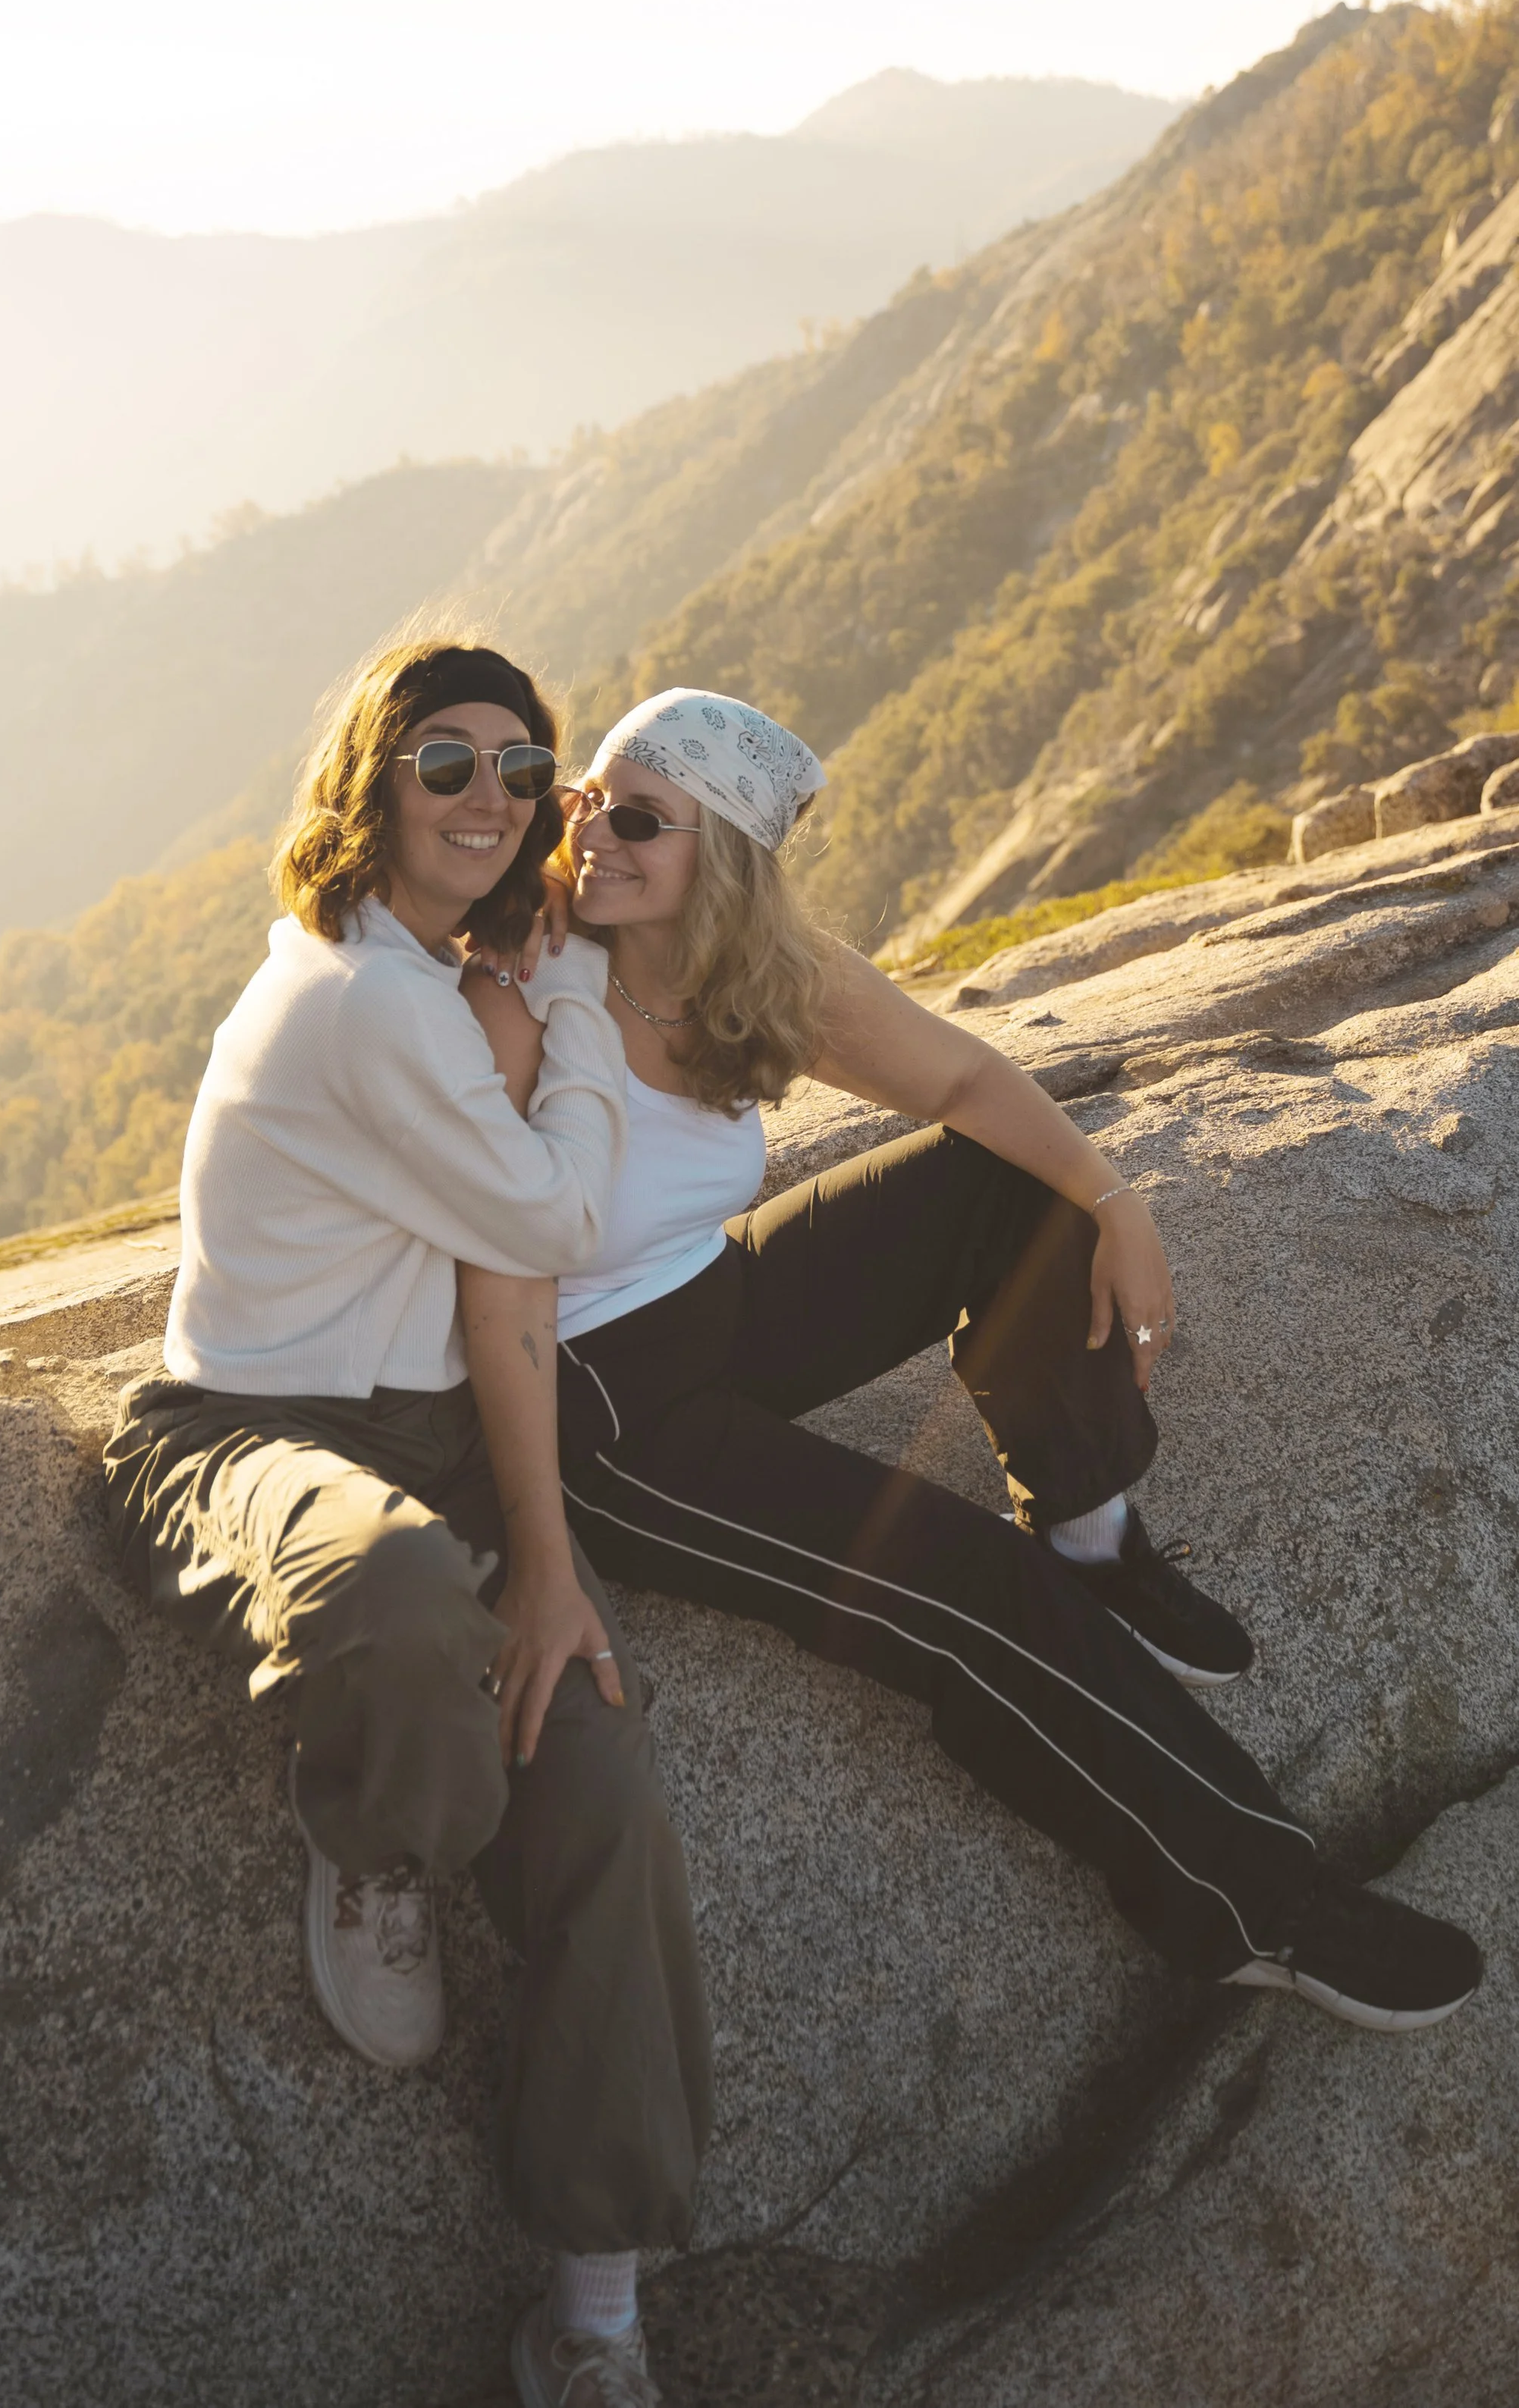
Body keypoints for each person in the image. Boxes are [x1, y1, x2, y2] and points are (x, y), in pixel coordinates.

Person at [464, 685, 1484, 2061]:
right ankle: (1260, 1906)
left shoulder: (755, 969)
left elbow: (965, 1083)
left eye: (639, 817)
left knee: (1014, 1181)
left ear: (728, 863)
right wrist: (533, 1539)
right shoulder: (530, 975)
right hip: (603, 1405)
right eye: (588, 803)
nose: (591, 838)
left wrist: (1114, 1204)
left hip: (711, 1302)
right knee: (966, 1598)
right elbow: (491, 1273)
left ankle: (1085, 1525)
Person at [101, 636, 706, 2408]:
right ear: (371, 782)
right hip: (242, 1430)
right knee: (390, 1591)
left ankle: (592, 2314)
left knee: (597, 1764)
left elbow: (502, 1272)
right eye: (446, 763)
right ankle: (376, 1834)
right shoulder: (368, 999)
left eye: (524, 770)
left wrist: (550, 1561)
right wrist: (576, 1010)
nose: (490, 799)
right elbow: (556, 1214)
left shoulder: (436, 978)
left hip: (428, 1435)